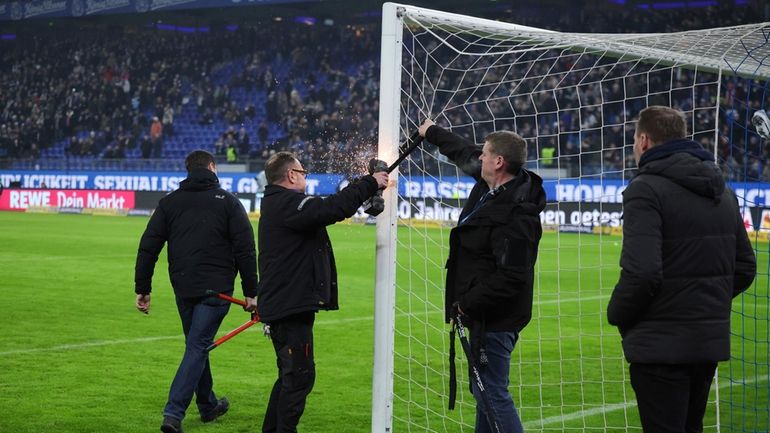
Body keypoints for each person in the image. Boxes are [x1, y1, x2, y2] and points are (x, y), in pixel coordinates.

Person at [607, 106, 756, 433]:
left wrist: (617, 314)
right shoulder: (723, 191)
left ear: (644, 141)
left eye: (633, 139)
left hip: (660, 344)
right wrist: (703, 302)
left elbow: (642, 272)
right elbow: (745, 266)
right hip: (706, 343)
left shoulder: (644, 188)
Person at [418, 119, 546, 433]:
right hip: (482, 314)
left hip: (496, 317)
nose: (480, 158)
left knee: (491, 391)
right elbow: (462, 151)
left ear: (499, 162)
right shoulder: (494, 186)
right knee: (483, 390)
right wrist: (431, 132)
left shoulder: (517, 215)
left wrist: (466, 304)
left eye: (485, 154)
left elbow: (512, 276)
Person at [257, 151, 388, 433]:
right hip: (288, 306)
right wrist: (369, 183)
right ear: (291, 175)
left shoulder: (278, 203)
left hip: (287, 304)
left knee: (290, 376)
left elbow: (330, 208)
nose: (305, 177)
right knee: (299, 377)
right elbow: (330, 209)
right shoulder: (287, 203)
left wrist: (362, 187)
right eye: (303, 172)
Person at [134, 150, 258, 433]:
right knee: (197, 346)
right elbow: (245, 250)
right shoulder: (228, 202)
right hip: (217, 292)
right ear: (212, 167)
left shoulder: (169, 203)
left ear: (187, 169)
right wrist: (252, 292)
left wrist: (143, 288)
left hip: (184, 288)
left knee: (196, 345)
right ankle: (173, 414)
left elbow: (148, 246)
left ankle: (208, 405)